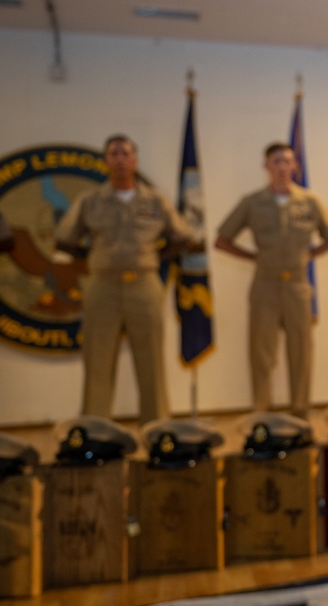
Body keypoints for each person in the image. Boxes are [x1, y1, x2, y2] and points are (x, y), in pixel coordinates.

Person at [55, 134, 195, 423]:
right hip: (102, 286)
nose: (120, 159)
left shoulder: (155, 200)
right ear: (106, 161)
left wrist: (157, 256)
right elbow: (64, 239)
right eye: (114, 154)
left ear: (135, 160)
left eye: (125, 154)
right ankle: (94, 429)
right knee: (97, 360)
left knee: (151, 359)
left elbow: (183, 237)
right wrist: (93, 258)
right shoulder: (90, 201)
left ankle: (156, 427)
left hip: (143, 283)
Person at [215, 142, 328, 419]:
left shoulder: (309, 201)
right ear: (266, 166)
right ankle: (261, 412)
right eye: (276, 162)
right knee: (261, 352)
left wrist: (308, 256)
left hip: (297, 285)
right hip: (265, 285)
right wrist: (254, 258)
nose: (282, 167)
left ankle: (300, 411)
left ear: (295, 166)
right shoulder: (252, 202)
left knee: (301, 351)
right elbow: (221, 240)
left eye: (287, 161)